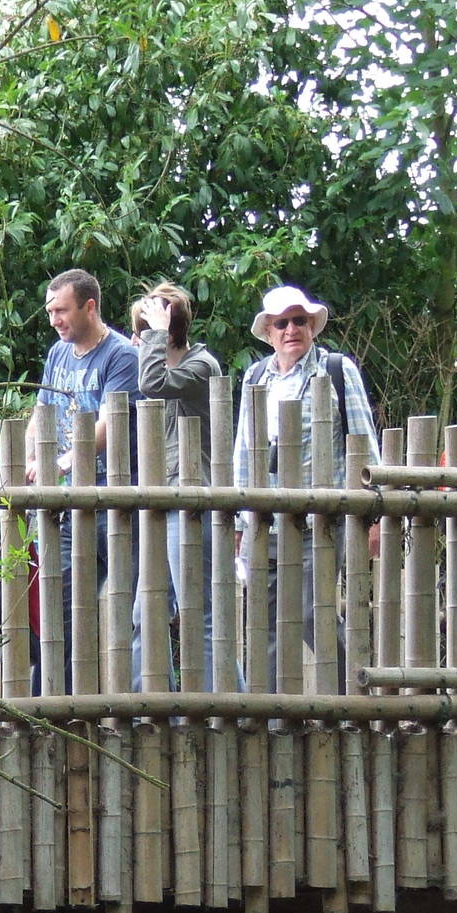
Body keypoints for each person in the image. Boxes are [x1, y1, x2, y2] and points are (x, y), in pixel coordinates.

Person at [232, 284, 380, 689]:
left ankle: (350, 696)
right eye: (282, 323)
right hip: (266, 521)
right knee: (265, 621)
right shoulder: (254, 376)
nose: (291, 329)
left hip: (321, 519)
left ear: (312, 325)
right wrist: (239, 524)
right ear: (268, 331)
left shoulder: (335, 369)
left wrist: (375, 515)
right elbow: (244, 451)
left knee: (314, 612)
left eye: (300, 320)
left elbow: (364, 442)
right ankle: (272, 714)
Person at [25, 268, 138, 688]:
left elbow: (110, 423)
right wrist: (27, 457)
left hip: (114, 501)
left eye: (62, 310)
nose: (55, 319)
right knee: (61, 608)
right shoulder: (57, 353)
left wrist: (63, 462)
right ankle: (52, 702)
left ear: (90, 307)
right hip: (68, 506)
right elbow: (43, 411)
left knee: (136, 610)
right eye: (51, 311)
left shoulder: (121, 355)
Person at [130, 283, 221, 689]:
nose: (137, 341)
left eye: (145, 330)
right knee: (145, 613)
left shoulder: (201, 367)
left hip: (191, 503)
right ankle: (152, 708)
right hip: (161, 502)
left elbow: (151, 383)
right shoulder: (167, 369)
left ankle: (223, 711)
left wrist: (155, 336)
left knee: (198, 614)